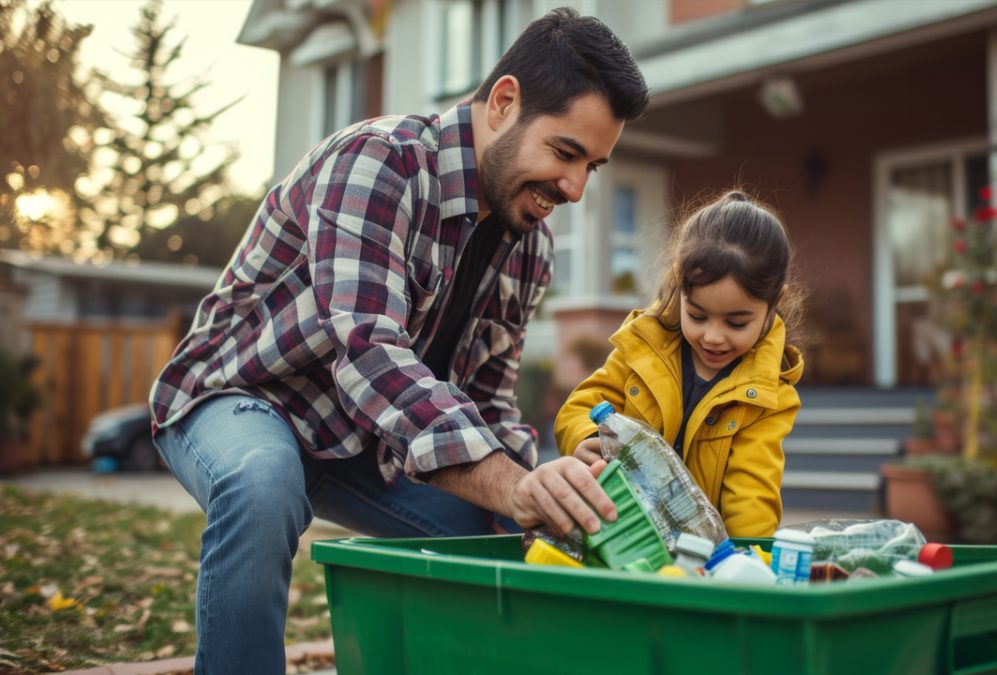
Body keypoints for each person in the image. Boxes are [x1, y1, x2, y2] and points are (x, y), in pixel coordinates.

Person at [148, 8, 648, 673]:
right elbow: (369, 349)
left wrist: (538, 490)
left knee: (501, 531)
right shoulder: (379, 162)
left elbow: (490, 403)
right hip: (244, 398)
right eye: (565, 152)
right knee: (264, 481)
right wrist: (511, 483)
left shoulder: (531, 245)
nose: (577, 187)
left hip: (366, 444)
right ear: (503, 103)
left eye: (594, 165)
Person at [554, 190, 804, 538]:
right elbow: (581, 405)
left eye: (736, 323)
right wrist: (584, 436)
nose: (713, 337)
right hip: (620, 532)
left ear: (776, 303)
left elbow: (752, 493)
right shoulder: (643, 345)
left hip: (700, 552)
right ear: (679, 285)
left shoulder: (769, 397)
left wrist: (747, 560)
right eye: (698, 315)